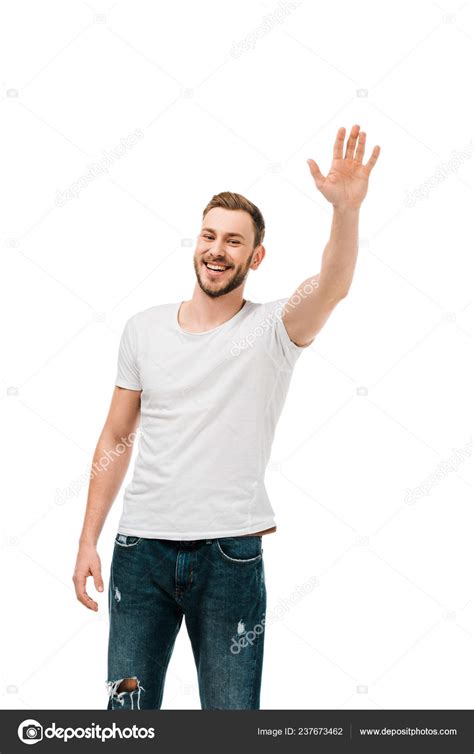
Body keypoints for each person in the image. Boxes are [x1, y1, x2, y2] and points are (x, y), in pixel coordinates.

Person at [72, 124, 380, 710]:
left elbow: (334, 285)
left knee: (231, 722)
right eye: (209, 236)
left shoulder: (275, 328)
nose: (217, 249)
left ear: (255, 256)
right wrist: (89, 538)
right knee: (126, 719)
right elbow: (116, 435)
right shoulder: (144, 328)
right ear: (196, 243)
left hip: (230, 557)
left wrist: (346, 211)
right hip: (141, 553)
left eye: (234, 241)